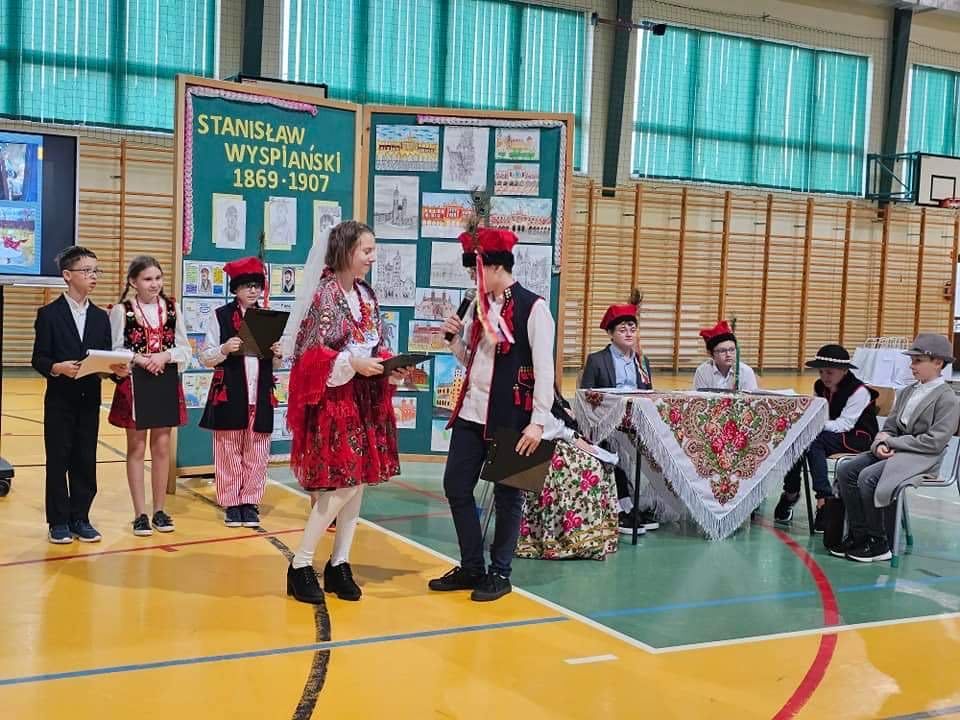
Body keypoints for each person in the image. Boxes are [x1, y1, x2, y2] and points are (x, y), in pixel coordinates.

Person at [428, 223, 555, 602]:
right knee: (455, 486)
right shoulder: (477, 306)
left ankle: (500, 572)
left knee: (508, 497)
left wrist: (538, 423)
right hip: (471, 413)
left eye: (476, 268)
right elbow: (472, 361)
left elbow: (545, 370)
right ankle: (472, 566)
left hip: (514, 416)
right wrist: (455, 341)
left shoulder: (534, 307)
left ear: (496, 267)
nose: (472, 276)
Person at [285, 221, 409, 604]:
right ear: (345, 252)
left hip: (366, 398)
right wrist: (352, 364)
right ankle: (301, 564)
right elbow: (310, 354)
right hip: (336, 400)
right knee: (343, 483)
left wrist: (390, 366)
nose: (373, 258)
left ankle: (340, 562)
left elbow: (376, 344)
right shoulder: (325, 295)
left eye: (373, 250)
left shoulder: (366, 294)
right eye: (366, 251)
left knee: (357, 483)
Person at [831, 334, 960, 562]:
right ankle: (859, 534)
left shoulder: (948, 399)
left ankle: (879, 541)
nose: (911, 366)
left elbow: (934, 442)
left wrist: (891, 442)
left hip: (923, 457)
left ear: (938, 363)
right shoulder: (907, 391)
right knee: (846, 470)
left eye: (918, 361)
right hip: (896, 451)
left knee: (868, 477)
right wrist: (881, 443)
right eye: (911, 360)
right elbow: (889, 427)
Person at [31, 247, 130, 544]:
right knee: (58, 459)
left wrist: (117, 371)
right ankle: (58, 521)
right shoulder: (49, 314)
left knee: (85, 458)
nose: (93, 276)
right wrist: (57, 367)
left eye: (96, 270)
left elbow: (105, 359)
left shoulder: (101, 317)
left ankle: (81, 517)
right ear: (67, 275)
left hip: (89, 399)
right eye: (86, 271)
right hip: (60, 400)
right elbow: (39, 358)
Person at [108, 256, 191, 536]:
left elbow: (185, 349)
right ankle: (139, 513)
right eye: (147, 279)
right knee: (136, 447)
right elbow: (115, 348)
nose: (154, 284)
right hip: (135, 383)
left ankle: (159, 510)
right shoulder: (122, 311)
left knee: (162, 448)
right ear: (134, 282)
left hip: (165, 382)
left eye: (158, 278)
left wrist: (165, 355)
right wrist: (140, 359)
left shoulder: (173, 309)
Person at [199, 256, 282, 529]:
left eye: (256, 286)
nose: (252, 291)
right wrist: (224, 349)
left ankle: (250, 501)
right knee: (228, 449)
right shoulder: (220, 316)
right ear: (235, 289)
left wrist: (278, 354)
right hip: (230, 393)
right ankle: (231, 503)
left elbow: (275, 364)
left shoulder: (269, 318)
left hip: (260, 394)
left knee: (258, 450)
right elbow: (205, 357)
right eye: (247, 286)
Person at [773, 344, 879, 531]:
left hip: (857, 437)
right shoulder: (819, 386)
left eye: (829, 372)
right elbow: (817, 413)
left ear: (844, 371)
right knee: (796, 439)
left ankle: (823, 499)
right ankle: (791, 490)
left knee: (814, 441)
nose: (824, 377)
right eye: (821, 372)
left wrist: (813, 426)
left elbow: (845, 424)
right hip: (829, 434)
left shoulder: (859, 391)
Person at [579, 295, 658, 535]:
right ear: (611, 334)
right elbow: (586, 398)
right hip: (607, 425)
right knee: (614, 446)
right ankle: (622, 507)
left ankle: (642, 503)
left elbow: (649, 394)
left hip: (636, 423)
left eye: (632, 329)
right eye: (622, 330)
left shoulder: (642, 362)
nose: (629, 333)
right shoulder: (597, 360)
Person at [515, 390, 620, 561]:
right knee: (585, 468)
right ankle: (566, 538)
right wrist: (571, 435)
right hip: (533, 445)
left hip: (555, 438)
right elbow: (545, 424)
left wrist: (567, 420)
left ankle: (594, 535)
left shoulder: (548, 386)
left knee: (599, 463)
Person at [693, 320, 758, 391]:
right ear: (710, 354)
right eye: (722, 351)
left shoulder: (746, 371)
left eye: (732, 349)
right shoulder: (702, 371)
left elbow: (751, 396)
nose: (728, 354)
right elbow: (699, 396)